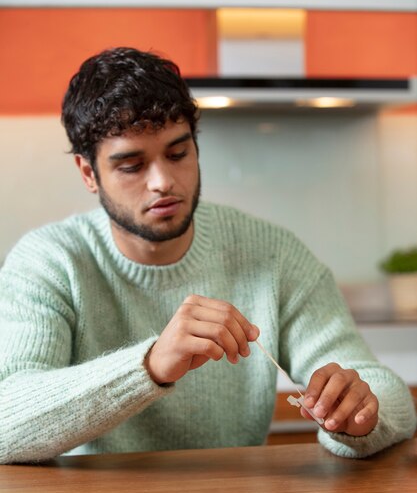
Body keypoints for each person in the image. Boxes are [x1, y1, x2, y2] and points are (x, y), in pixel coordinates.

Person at [0, 47, 415, 464]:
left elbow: (390, 395)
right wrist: (150, 366)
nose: (163, 181)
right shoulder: (48, 261)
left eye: (178, 154)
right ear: (89, 173)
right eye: (131, 165)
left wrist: (362, 415)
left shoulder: (272, 254)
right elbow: (6, 423)